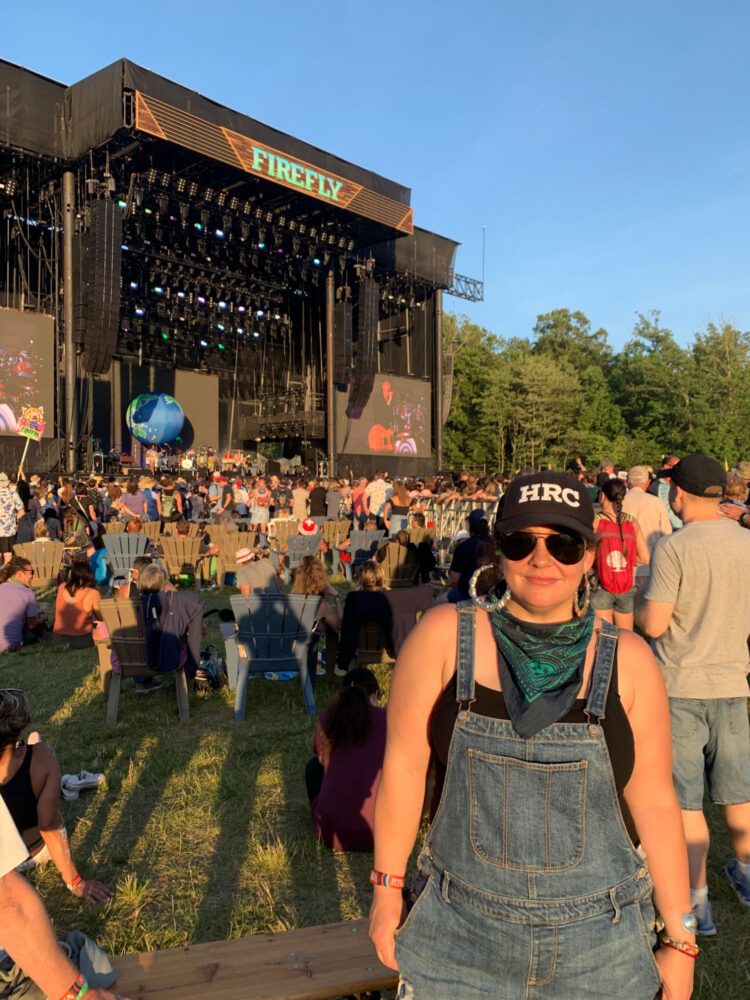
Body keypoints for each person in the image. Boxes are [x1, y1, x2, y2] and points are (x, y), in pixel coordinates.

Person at [370, 471, 694, 1000]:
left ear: (590, 556)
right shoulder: (442, 637)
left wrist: (680, 940)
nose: (542, 560)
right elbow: (404, 767)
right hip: (458, 934)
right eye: (523, 543)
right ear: (498, 553)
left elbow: (656, 802)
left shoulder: (631, 662)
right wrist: (387, 888)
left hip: (601, 946)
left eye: (564, 544)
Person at [635, 453, 750, 937]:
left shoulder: (676, 548)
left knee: (685, 802)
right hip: (734, 684)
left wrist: (641, 606)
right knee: (739, 796)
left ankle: (697, 903)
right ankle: (746, 876)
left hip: (681, 687)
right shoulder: (746, 542)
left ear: (678, 493)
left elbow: (655, 623)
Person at [0, 689, 112, 902]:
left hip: (5, 865)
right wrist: (75, 881)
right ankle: (62, 780)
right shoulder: (43, 756)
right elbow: (50, 825)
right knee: (39, 749)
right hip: (35, 853)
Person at [306, 668, 386, 851]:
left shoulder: (328, 717)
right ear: (375, 695)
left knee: (313, 768)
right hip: (383, 834)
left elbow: (320, 761)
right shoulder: (387, 718)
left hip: (329, 833)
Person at [590, 478, 650, 630]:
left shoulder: (597, 521)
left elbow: (586, 552)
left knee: (604, 637)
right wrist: (625, 559)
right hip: (625, 583)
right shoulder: (632, 522)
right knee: (627, 635)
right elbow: (645, 557)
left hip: (601, 583)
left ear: (602, 496)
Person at [52, 558, 102, 648]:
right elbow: (101, 617)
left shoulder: (61, 587)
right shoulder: (92, 593)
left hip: (58, 640)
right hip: (82, 640)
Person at [0, 557, 42, 652]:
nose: (33, 576)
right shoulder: (28, 593)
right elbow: (32, 624)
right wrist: (41, 620)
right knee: (39, 631)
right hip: (11, 644)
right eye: (31, 572)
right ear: (19, 573)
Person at [0, 472, 23, 564]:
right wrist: (14, 519)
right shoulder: (13, 494)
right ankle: (6, 576)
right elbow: (21, 512)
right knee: (8, 556)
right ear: (7, 482)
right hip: (8, 530)